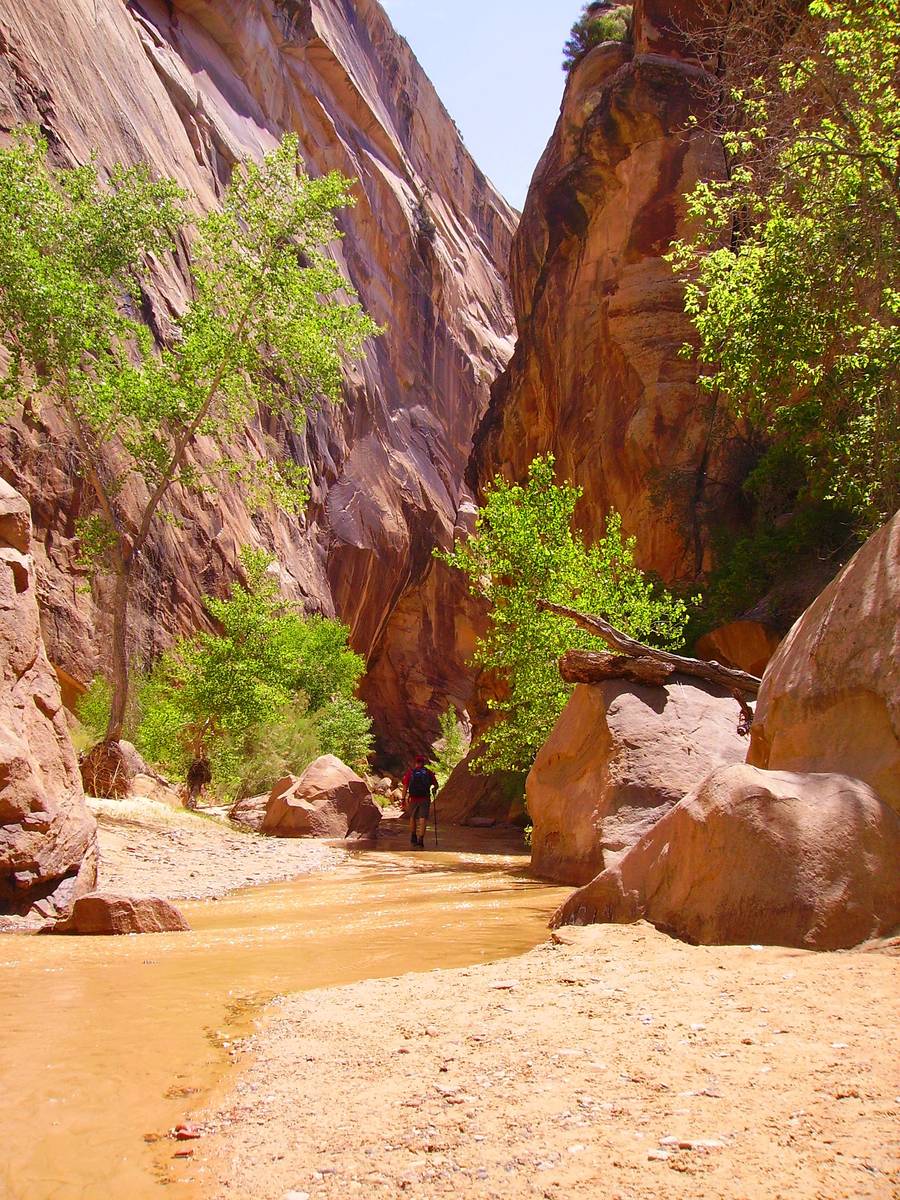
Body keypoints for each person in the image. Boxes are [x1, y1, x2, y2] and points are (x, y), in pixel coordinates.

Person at [401, 754, 438, 848]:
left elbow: (405, 787)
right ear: (423, 763)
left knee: (412, 818)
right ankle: (421, 839)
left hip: (413, 799)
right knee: (423, 819)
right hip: (425, 799)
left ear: (416, 762)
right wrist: (434, 789)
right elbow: (436, 785)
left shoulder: (410, 773)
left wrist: (403, 799)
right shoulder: (428, 773)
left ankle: (413, 836)